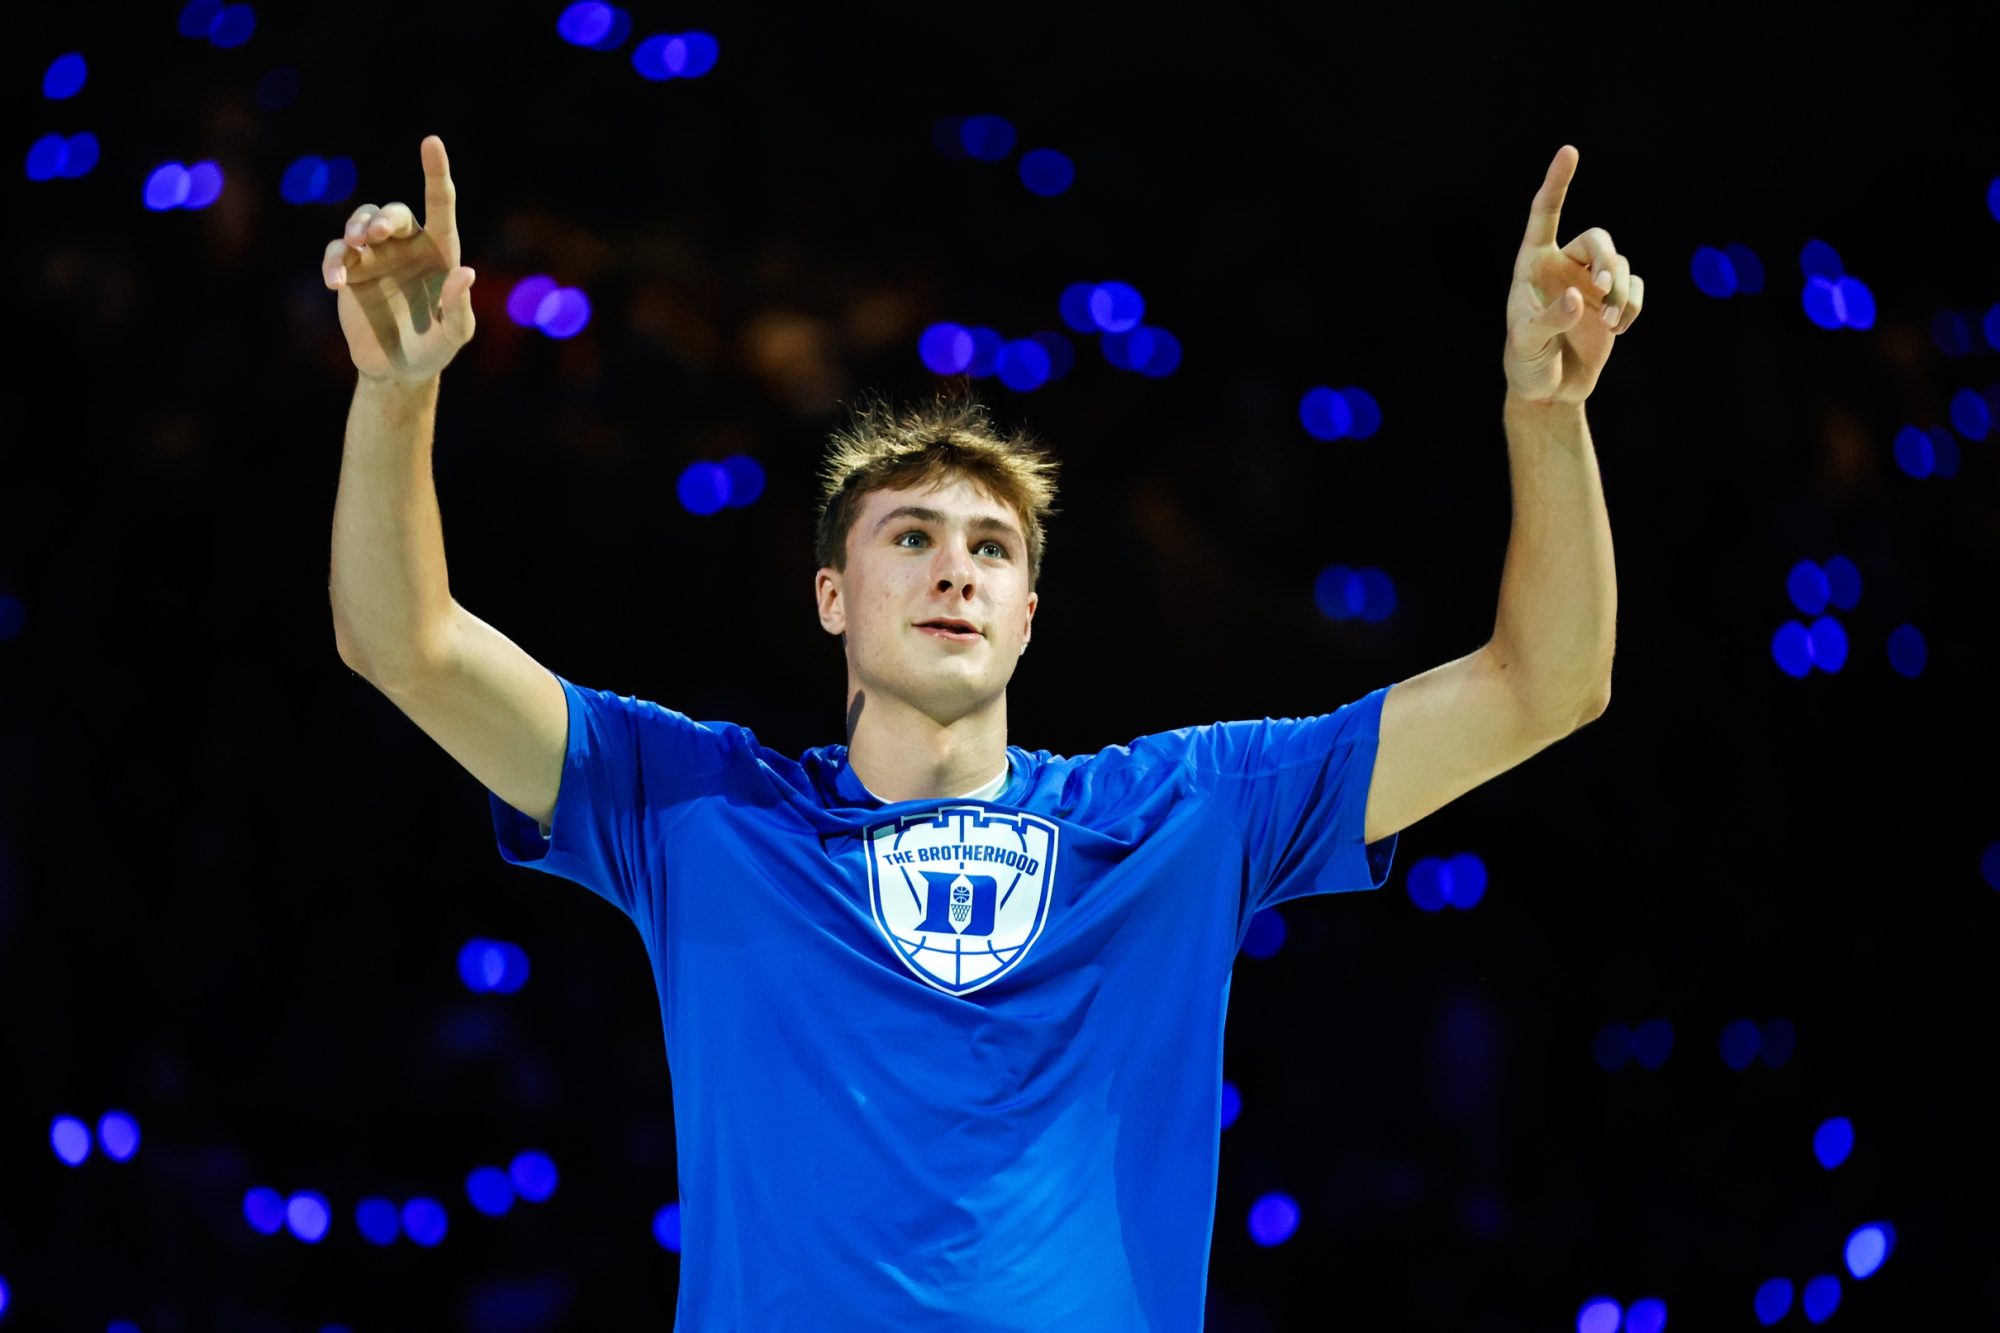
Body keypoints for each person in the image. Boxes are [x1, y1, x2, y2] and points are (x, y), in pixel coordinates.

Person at [327, 135, 1635, 1331]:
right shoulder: (699, 808)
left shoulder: (1183, 815)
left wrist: (1547, 414)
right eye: (911, 538)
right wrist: (394, 396)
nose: (955, 570)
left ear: (1026, 616)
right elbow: (408, 643)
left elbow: (1547, 682)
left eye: (990, 549)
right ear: (832, 597)